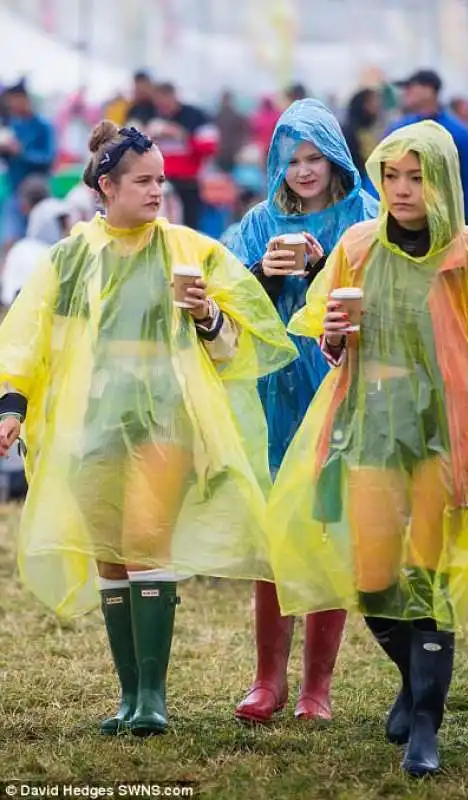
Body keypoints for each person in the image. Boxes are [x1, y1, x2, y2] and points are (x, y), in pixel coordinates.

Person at [265, 120, 468, 775]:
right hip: (368, 427)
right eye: (390, 175)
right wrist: (333, 338)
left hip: (442, 435)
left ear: (442, 181)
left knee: (429, 580)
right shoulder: (359, 246)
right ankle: (411, 678)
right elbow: (331, 346)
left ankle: (426, 724)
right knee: (370, 580)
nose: (400, 190)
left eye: (415, 177)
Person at [0, 121, 296, 737]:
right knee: (111, 556)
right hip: (92, 423)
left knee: (146, 541)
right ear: (106, 186)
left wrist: (209, 313)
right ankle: (129, 696)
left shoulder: (191, 251)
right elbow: (28, 339)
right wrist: (12, 407)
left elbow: (242, 348)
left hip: (166, 421)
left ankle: (154, 698)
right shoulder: (73, 258)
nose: (158, 190)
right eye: (143, 181)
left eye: (161, 179)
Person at [229, 99, 378, 724]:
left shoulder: (364, 217)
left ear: (336, 157)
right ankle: (269, 680)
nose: (304, 171)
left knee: (327, 525)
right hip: (274, 390)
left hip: (340, 385)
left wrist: (325, 273)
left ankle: (318, 686)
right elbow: (226, 298)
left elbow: (386, 294)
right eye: (291, 160)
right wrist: (264, 272)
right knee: (273, 535)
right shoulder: (261, 220)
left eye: (315, 157)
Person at [382, 70, 468, 230]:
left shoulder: (456, 132)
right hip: (402, 223)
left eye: (411, 88)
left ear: (429, 91)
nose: (406, 93)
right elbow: (382, 174)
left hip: (447, 224)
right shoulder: (399, 130)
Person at [148, 82, 219, 230]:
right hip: (160, 181)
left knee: (189, 226)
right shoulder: (151, 116)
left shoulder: (195, 116)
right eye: (159, 104)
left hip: (188, 182)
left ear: (173, 97)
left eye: (165, 103)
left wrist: (182, 135)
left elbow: (210, 147)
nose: (163, 108)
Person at [0, 79, 56, 250]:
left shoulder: (43, 126)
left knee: (38, 243)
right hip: (16, 191)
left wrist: (21, 153)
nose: (11, 106)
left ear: (24, 99)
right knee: (10, 239)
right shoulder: (12, 126)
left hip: (36, 193)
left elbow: (48, 158)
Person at [343, 88, 384, 189]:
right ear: (362, 105)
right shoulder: (350, 132)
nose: (377, 106)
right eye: (373, 102)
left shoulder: (368, 131)